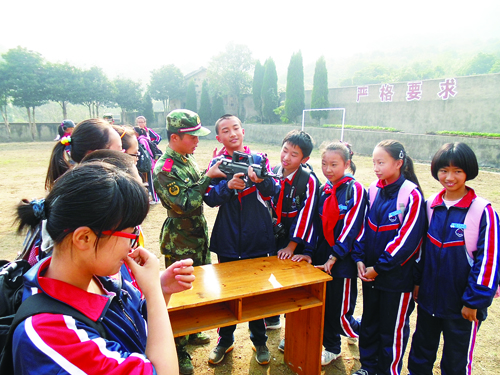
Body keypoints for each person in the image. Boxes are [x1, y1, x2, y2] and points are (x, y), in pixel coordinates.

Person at [12, 162, 196, 375]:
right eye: (131, 234)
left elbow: (137, 326)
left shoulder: (98, 277)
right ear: (85, 238)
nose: (134, 244)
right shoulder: (50, 333)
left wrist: (161, 289)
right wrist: (153, 292)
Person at [408, 142, 500, 375]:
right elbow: (421, 251)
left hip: (462, 306)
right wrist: (418, 282)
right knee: (420, 353)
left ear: (468, 171)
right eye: (444, 170)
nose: (449, 177)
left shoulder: (483, 211)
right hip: (429, 300)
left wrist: (474, 302)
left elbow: (489, 260)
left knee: (456, 361)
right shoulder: (430, 205)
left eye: (457, 171)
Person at [204, 114, 280, 366]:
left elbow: (274, 191)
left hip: (257, 236)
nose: (232, 133)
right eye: (225, 130)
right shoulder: (217, 163)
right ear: (219, 137)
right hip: (227, 238)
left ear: (243, 131)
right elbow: (210, 199)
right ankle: (224, 340)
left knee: (256, 293)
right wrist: (228, 185)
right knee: (226, 293)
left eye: (235, 128)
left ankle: (259, 341)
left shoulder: (259, 159)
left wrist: (261, 181)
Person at [153, 109, 224, 375]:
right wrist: (209, 177)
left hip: (198, 233)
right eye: (192, 137)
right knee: (179, 294)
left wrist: (208, 173)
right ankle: (177, 347)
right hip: (180, 237)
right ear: (175, 137)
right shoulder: (165, 168)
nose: (197, 142)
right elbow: (183, 204)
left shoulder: (187, 159)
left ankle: (191, 332)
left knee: (198, 286)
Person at [351, 140, 426, 375]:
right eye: (374, 162)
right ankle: (368, 367)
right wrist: (360, 258)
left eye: (381, 162)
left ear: (399, 163)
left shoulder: (411, 194)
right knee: (370, 323)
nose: (376, 167)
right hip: (370, 274)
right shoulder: (373, 189)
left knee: (391, 329)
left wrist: (379, 267)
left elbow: (407, 241)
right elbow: (363, 226)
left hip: (396, 279)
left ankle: (387, 371)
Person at [313, 141, 367, 366]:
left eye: (334, 164)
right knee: (325, 306)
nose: (328, 169)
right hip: (322, 259)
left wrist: (335, 256)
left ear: (346, 164)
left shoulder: (354, 189)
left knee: (341, 314)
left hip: (342, 261)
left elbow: (353, 226)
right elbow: (315, 224)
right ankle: (333, 348)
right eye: (324, 164)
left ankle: (365, 331)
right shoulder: (324, 189)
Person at [267, 130, 319, 346]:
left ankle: (292, 331)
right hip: (275, 233)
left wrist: (291, 245)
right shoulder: (274, 172)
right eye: (284, 150)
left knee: (294, 284)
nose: (286, 158)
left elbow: (307, 216)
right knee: (272, 276)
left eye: (294, 155)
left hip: (297, 237)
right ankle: (273, 316)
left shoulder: (309, 181)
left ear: (304, 159)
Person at [45, 118, 123, 190]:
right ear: (95, 155)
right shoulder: (100, 191)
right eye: (119, 149)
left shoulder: (74, 185)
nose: (124, 154)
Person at [136, 126, 160, 203]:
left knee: (151, 181)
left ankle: (156, 199)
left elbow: (147, 152)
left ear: (137, 133)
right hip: (150, 162)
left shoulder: (142, 140)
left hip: (149, 163)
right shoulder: (144, 138)